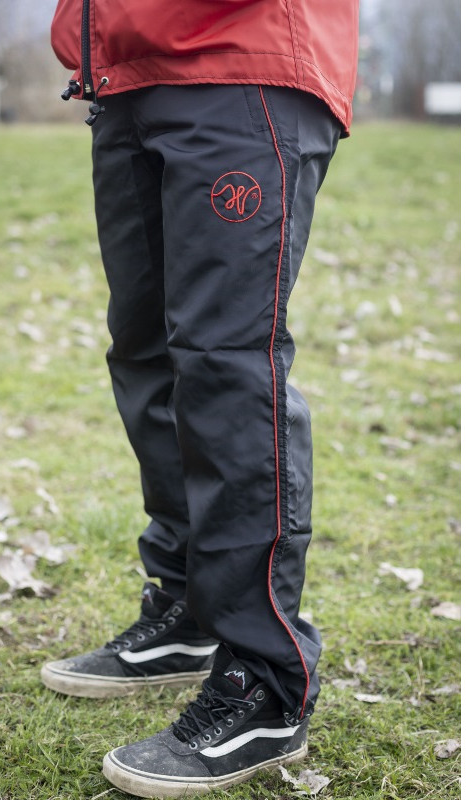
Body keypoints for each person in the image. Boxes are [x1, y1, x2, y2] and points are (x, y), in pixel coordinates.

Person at [41, 1, 359, 795]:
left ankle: (265, 680)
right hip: (126, 72)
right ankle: (188, 608)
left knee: (226, 364)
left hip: (243, 58)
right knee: (147, 354)